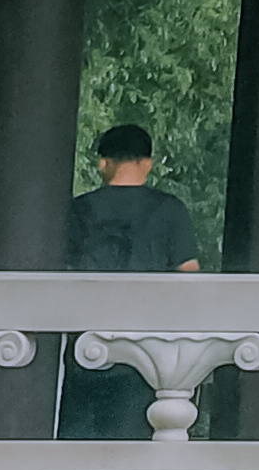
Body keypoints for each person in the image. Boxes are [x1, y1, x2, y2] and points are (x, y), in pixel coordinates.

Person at [58, 121, 200, 439]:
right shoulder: (170, 210)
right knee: (136, 439)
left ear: (103, 163)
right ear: (147, 163)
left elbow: (60, 271)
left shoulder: (78, 210)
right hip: (148, 345)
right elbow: (188, 273)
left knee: (79, 439)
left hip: (86, 342)